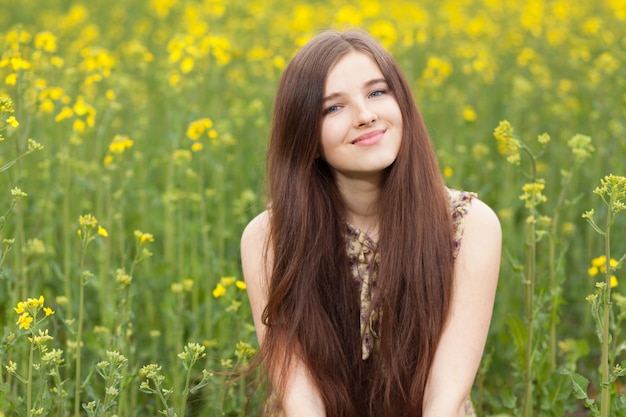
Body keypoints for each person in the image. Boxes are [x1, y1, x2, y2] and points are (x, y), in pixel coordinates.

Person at [240, 29, 501, 417]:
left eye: (377, 92)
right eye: (333, 108)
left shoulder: (469, 224)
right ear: (304, 135)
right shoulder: (270, 236)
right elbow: (300, 400)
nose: (366, 116)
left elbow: (445, 398)